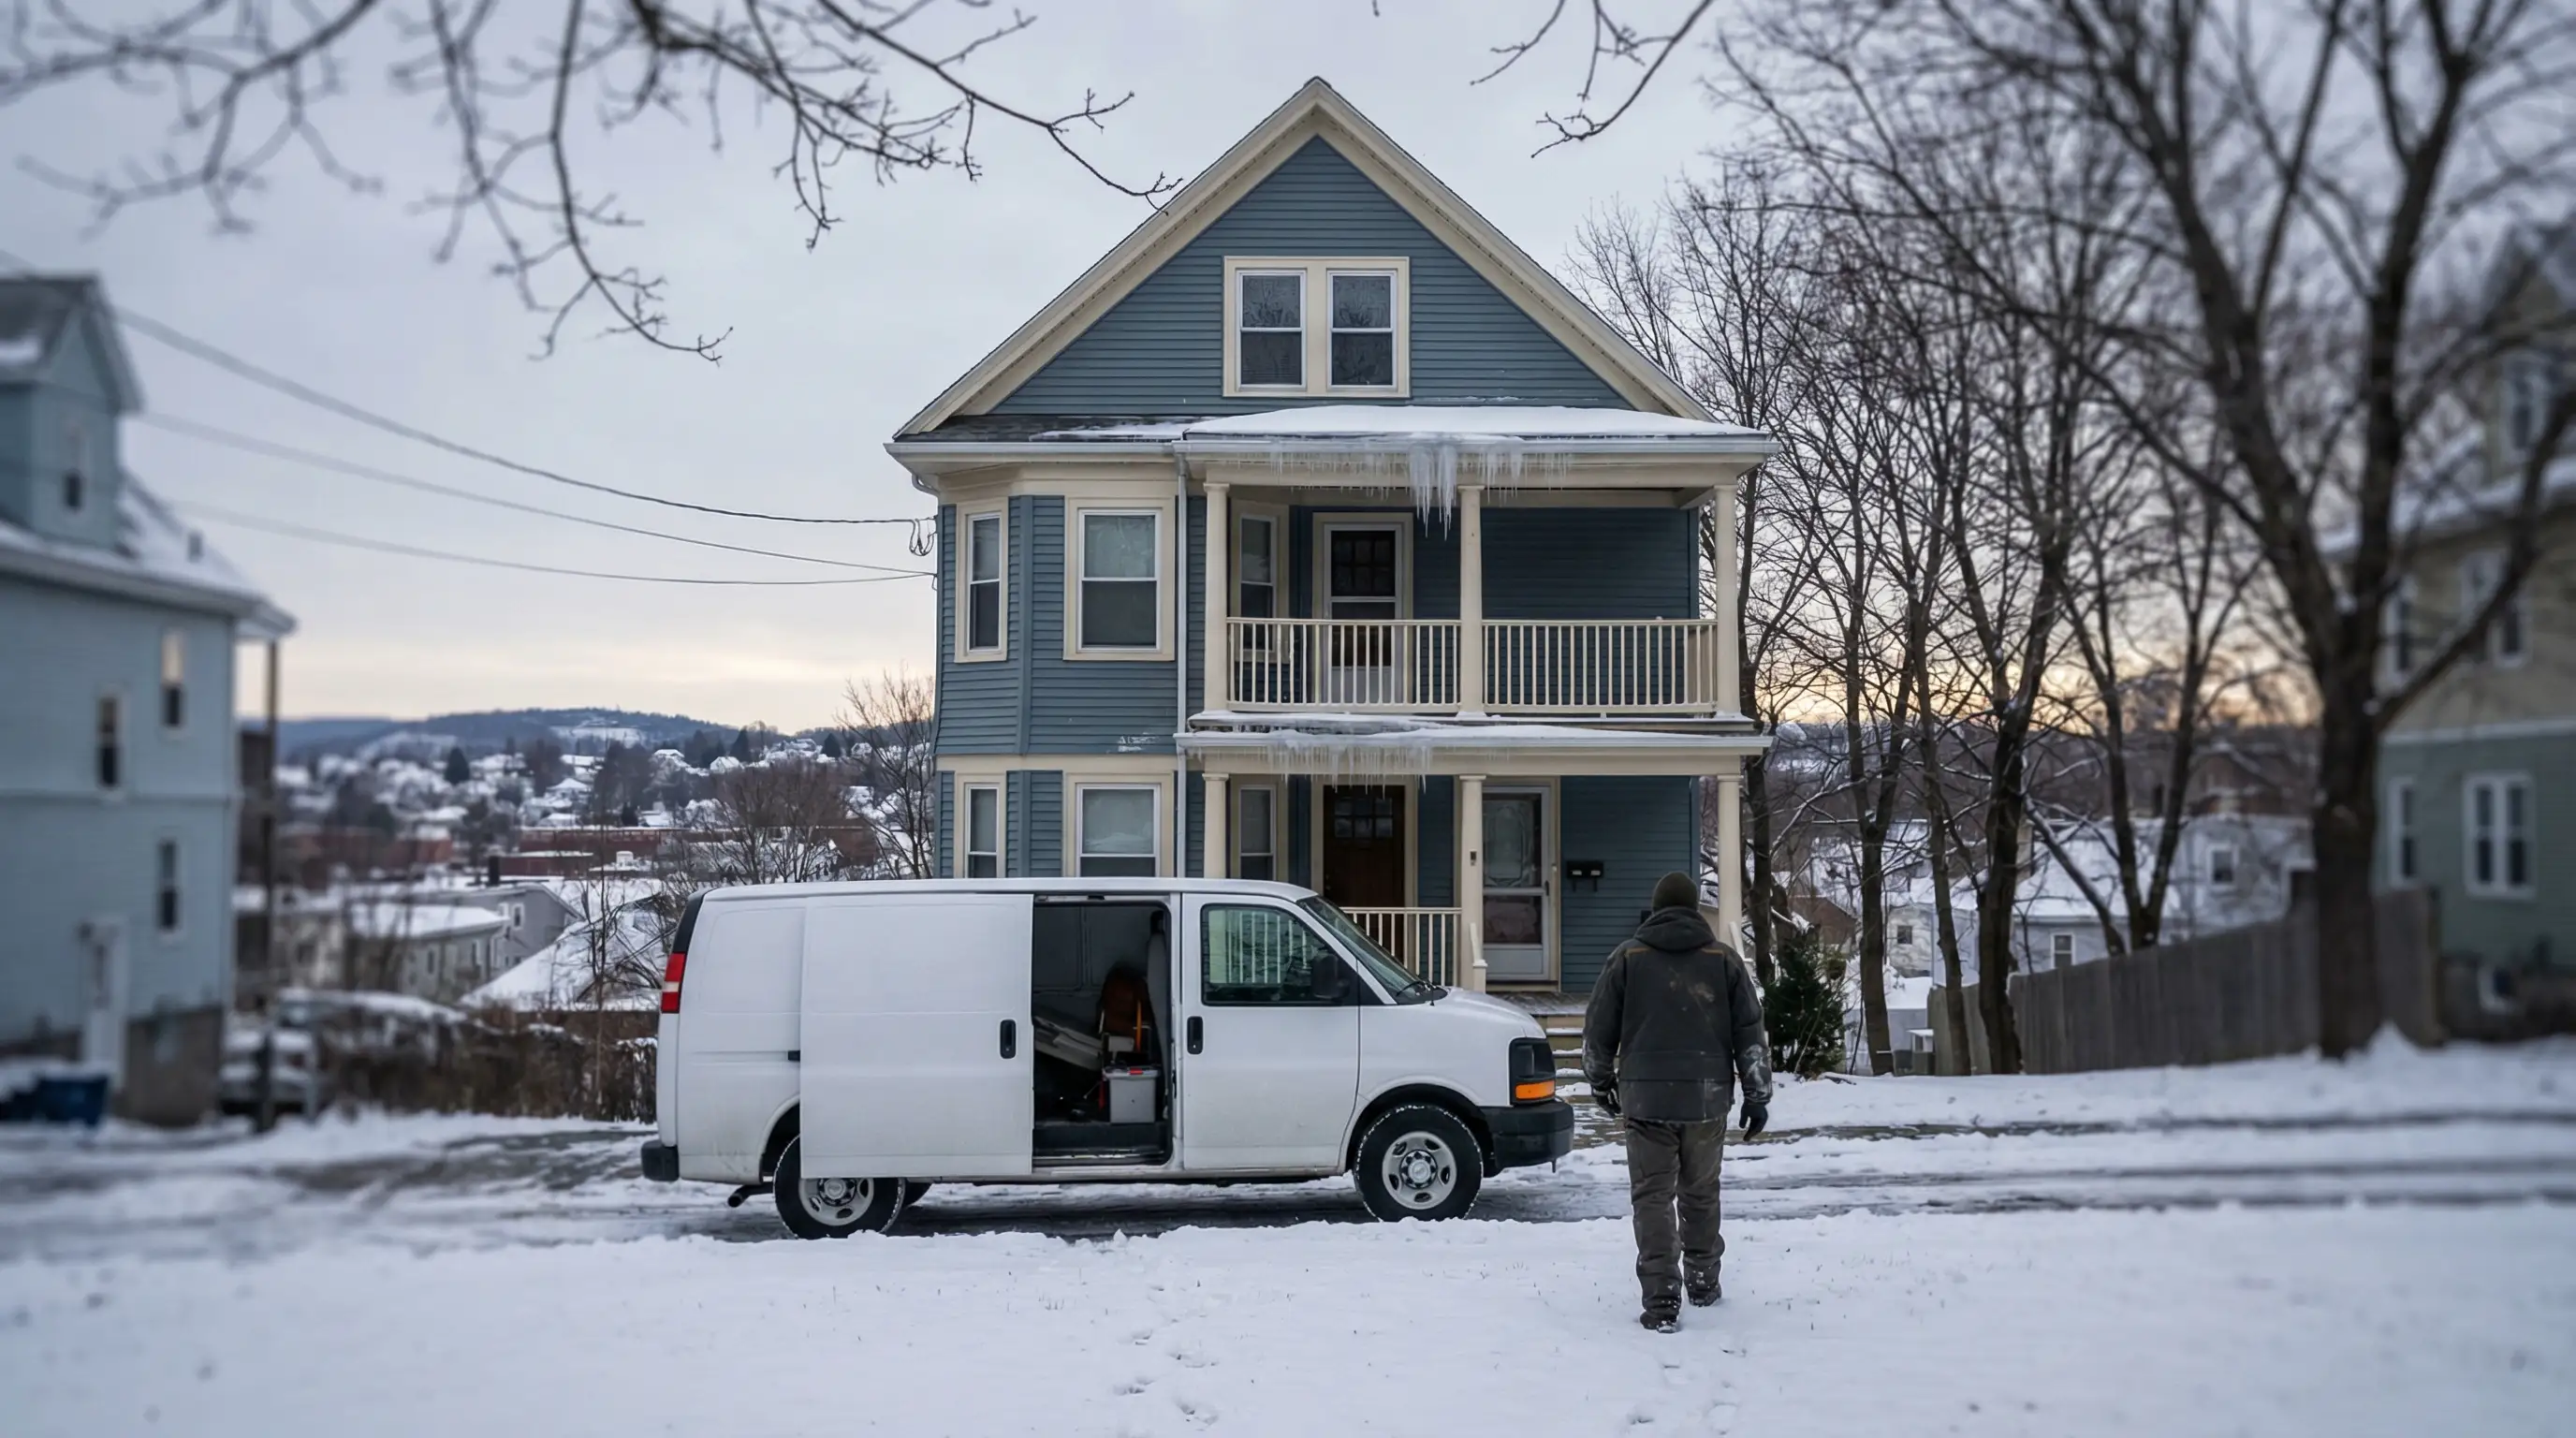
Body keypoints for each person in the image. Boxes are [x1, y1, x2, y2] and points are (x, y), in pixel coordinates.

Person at [1582, 871, 1774, 1333]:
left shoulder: (1627, 958)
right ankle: (1704, 1282)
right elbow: (1750, 1032)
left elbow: (1598, 1031)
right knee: (1701, 1193)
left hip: (1645, 1097)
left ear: (1657, 907)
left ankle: (1662, 1299)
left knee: (1652, 1198)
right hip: (1706, 1099)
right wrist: (1757, 1093)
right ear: (1693, 909)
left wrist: (1600, 1081)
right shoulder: (1723, 960)